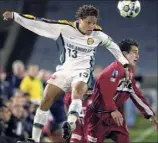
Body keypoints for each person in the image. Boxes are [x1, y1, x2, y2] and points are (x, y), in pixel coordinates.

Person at [3, 5, 130, 142]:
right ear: (80, 19)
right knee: (46, 99)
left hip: (83, 72)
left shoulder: (98, 35)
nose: (92, 26)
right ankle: (34, 139)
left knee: (77, 92)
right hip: (64, 71)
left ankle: (69, 124)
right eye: (89, 22)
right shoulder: (63, 29)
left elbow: (114, 47)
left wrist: (125, 65)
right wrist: (15, 16)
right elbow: (38, 23)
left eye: (94, 23)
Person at [85, 39, 158, 143]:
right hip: (97, 117)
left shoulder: (130, 73)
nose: (137, 56)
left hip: (116, 118)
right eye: (134, 52)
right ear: (124, 54)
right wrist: (113, 110)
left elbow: (136, 94)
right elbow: (106, 93)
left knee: (124, 140)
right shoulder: (112, 71)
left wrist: (150, 114)